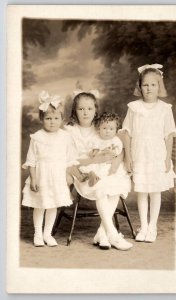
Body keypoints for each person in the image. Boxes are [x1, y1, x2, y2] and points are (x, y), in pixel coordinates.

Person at [65, 90, 133, 251]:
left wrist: (117, 161)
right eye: (81, 109)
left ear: (95, 110)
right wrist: (95, 160)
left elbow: (118, 144)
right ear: (75, 111)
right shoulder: (69, 131)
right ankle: (113, 234)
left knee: (116, 186)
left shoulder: (100, 127)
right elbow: (69, 160)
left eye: (89, 108)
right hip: (84, 171)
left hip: (107, 168)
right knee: (102, 188)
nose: (85, 112)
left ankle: (102, 233)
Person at [121, 64, 176, 243]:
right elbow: (127, 134)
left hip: (157, 155)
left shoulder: (164, 109)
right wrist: (128, 156)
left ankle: (152, 227)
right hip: (139, 154)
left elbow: (169, 135)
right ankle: (143, 227)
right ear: (140, 86)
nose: (149, 88)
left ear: (159, 86)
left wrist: (167, 158)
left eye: (153, 84)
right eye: (145, 85)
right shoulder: (134, 107)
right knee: (142, 191)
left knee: (155, 191)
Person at [22, 91, 74, 247]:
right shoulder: (37, 137)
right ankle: (38, 234)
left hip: (57, 175)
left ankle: (47, 234)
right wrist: (33, 178)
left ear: (62, 119)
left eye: (56, 118)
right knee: (40, 205)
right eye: (48, 118)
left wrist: (68, 175)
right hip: (41, 175)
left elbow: (68, 159)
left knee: (53, 205)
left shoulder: (65, 137)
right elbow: (31, 161)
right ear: (42, 119)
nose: (52, 122)